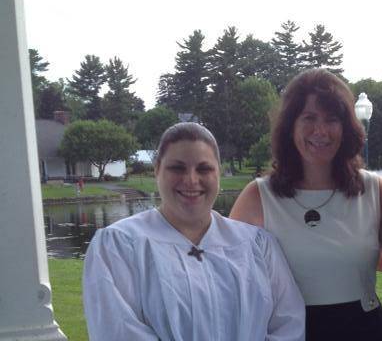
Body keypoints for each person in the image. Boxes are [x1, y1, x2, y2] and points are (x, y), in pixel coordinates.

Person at [83, 122, 305, 341]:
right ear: (157, 170)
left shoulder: (257, 245)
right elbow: (118, 331)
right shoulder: (119, 246)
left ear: (218, 172)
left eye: (204, 168)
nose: (191, 180)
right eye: (177, 168)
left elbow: (287, 325)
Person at [230, 68, 382, 341]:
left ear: (346, 127)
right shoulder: (258, 197)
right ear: (290, 126)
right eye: (309, 118)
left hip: (365, 331)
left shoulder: (376, 192)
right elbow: (228, 277)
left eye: (332, 119)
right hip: (290, 334)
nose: (320, 130)